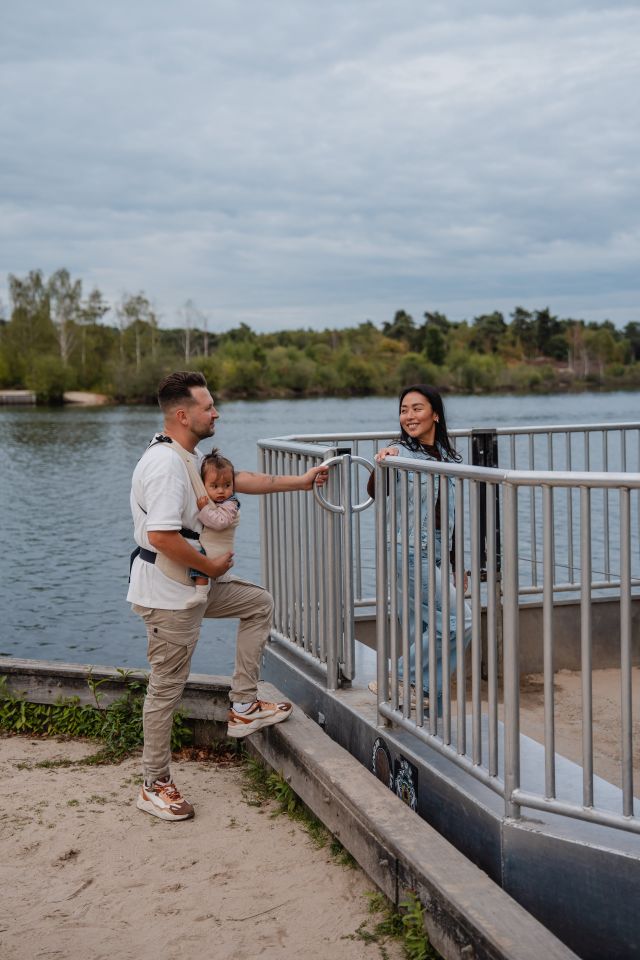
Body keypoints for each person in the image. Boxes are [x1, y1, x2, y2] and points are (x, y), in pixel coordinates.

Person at [128, 371, 327, 821]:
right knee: (166, 690)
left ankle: (242, 706)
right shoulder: (164, 465)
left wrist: (302, 481)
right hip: (168, 592)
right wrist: (211, 567)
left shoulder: (189, 455)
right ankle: (153, 784)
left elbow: (238, 480)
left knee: (258, 603)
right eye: (208, 406)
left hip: (193, 583)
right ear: (183, 414)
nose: (215, 412)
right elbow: (160, 535)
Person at [368, 384, 471, 713]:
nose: (408, 416)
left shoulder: (447, 458)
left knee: (431, 630)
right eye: (404, 410)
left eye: (416, 408)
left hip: (437, 553)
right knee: (460, 623)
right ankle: (398, 677)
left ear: (435, 414)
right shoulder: (401, 453)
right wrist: (384, 461)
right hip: (410, 551)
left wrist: (455, 566)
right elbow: (376, 488)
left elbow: (450, 520)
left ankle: (427, 710)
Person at [187, 450, 240, 608]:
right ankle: (218, 579)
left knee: (199, 557)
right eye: (214, 486)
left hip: (218, 548)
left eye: (227, 485)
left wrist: (203, 510)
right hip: (215, 545)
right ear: (203, 485)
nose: (221, 491)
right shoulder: (215, 501)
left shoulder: (231, 504)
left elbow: (220, 522)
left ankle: (201, 593)